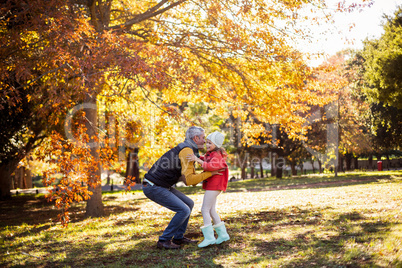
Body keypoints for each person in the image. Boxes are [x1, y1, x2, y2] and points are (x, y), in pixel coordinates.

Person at [142, 126, 222, 249]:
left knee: (189, 203)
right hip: (153, 186)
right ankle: (164, 240)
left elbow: (188, 179)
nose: (205, 141)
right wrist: (210, 173)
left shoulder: (190, 150)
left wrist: (203, 173)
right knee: (183, 210)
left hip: (161, 185)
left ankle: (178, 238)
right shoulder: (187, 151)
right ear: (196, 138)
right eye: (203, 138)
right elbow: (190, 180)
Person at [187, 131, 230, 248]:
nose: (207, 145)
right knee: (211, 210)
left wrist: (197, 160)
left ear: (216, 144)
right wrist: (198, 158)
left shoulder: (216, 155)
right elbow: (206, 160)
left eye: (210, 143)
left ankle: (209, 238)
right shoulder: (212, 153)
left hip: (214, 185)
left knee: (204, 209)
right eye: (207, 143)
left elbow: (210, 166)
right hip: (214, 185)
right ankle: (223, 235)